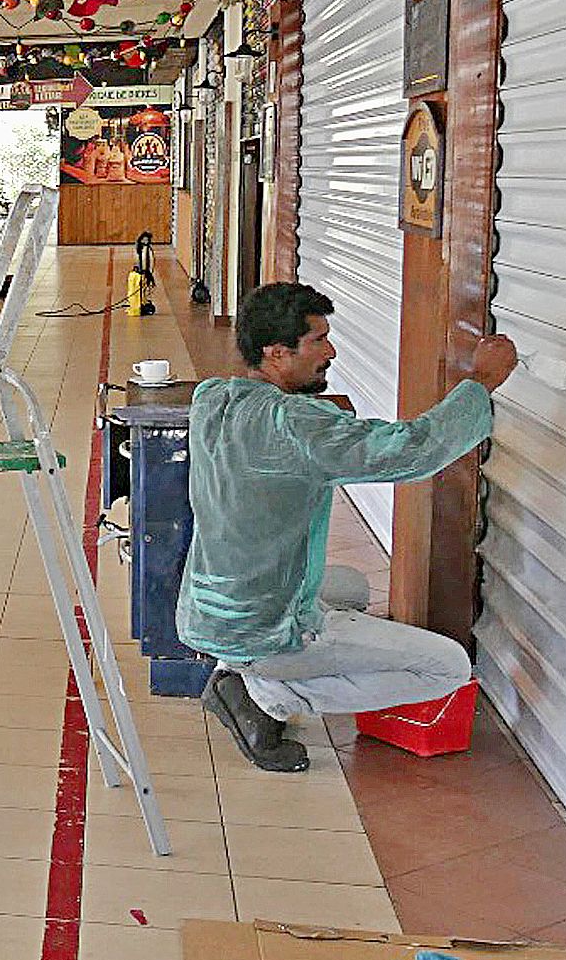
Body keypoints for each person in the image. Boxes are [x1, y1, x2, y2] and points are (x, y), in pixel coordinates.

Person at [177, 281, 517, 772]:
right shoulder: (295, 425)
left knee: (351, 588)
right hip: (263, 630)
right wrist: (481, 383)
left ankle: (242, 668)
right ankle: (269, 696)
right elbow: (412, 450)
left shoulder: (213, 398)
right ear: (276, 352)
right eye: (318, 340)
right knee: (446, 666)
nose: (331, 351)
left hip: (206, 612)